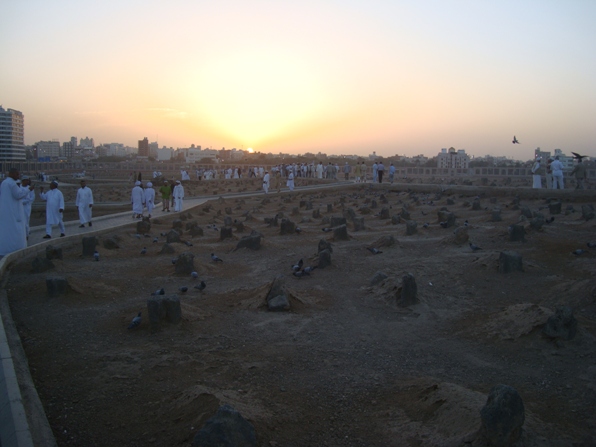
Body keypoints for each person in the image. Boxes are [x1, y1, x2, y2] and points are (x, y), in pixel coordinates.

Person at [0, 168, 35, 256]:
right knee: (16, 230)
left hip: (7, 211)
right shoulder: (12, 183)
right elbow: (18, 195)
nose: (18, 176)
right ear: (11, 174)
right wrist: (29, 189)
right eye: (17, 174)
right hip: (13, 212)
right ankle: (17, 248)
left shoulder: (4, 183)